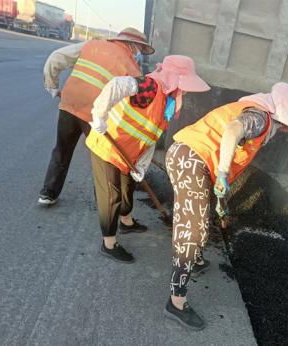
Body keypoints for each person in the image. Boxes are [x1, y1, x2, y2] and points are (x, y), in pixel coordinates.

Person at [163, 82, 288, 330]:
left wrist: (220, 197)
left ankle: (194, 261)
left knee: (201, 219)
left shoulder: (254, 110)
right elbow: (232, 130)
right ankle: (176, 302)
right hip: (191, 159)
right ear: (279, 116)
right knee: (192, 231)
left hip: (190, 157)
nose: (281, 130)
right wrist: (221, 174)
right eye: (283, 125)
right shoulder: (259, 118)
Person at [85, 55, 209, 263]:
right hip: (107, 146)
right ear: (174, 78)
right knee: (111, 195)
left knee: (127, 188)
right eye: (184, 84)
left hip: (127, 155)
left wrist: (140, 165)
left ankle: (126, 221)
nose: (185, 91)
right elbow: (116, 85)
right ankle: (109, 243)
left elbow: (150, 137)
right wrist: (99, 116)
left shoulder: (167, 102)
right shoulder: (150, 86)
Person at [40, 28, 154, 206]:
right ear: (132, 45)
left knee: (62, 149)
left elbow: (56, 57)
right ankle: (105, 203)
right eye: (139, 48)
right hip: (95, 115)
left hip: (69, 104)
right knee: (102, 158)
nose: (139, 53)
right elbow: (134, 103)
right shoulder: (132, 67)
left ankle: (48, 193)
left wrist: (53, 87)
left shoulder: (92, 45)